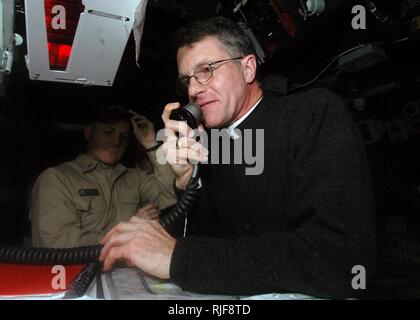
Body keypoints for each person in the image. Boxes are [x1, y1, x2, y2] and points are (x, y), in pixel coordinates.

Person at [99, 17, 376, 299]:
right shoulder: (212, 146)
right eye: (187, 80)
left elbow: (343, 259)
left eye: (205, 70)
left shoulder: (311, 113)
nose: (193, 90)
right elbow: (213, 246)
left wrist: (178, 257)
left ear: (247, 68)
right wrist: (186, 181)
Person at [30, 105, 177, 248]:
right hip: (74, 271)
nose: (116, 142)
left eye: (124, 137)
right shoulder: (57, 178)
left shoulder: (135, 178)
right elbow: (58, 244)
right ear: (89, 133)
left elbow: (172, 194)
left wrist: (150, 143)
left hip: (127, 271)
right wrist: (130, 230)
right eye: (108, 132)